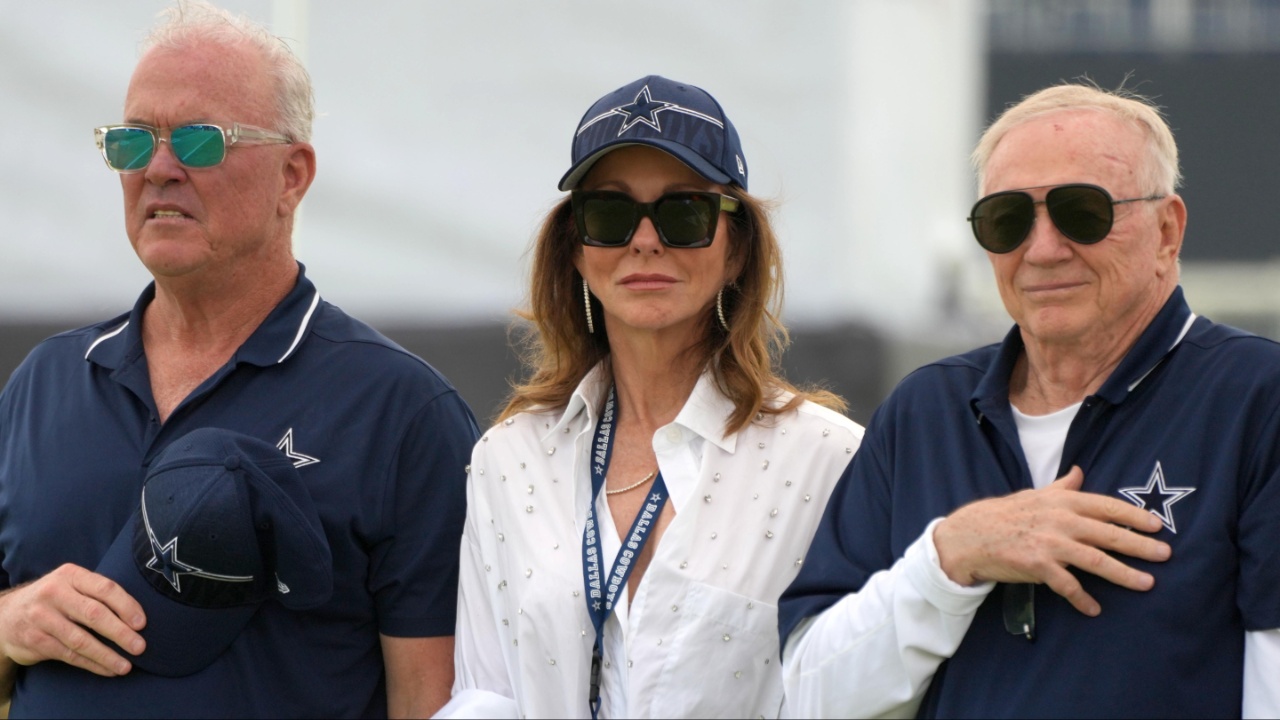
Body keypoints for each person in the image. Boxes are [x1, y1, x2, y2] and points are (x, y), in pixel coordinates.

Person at [0, 2, 477, 716]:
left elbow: (435, 704)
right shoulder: (43, 384)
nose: (158, 169)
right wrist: (10, 623)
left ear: (293, 176)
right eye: (133, 142)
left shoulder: (401, 414)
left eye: (198, 141)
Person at [778, 82, 1280, 718]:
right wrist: (949, 557)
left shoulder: (1257, 399)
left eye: (1083, 211)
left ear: (1166, 232)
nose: (1042, 249)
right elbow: (811, 699)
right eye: (1007, 220)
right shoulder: (924, 412)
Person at [439, 75, 863, 719]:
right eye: (608, 214)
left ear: (737, 248)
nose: (644, 240)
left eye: (684, 212)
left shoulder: (827, 458)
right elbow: (485, 695)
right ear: (576, 250)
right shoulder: (508, 458)